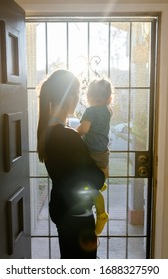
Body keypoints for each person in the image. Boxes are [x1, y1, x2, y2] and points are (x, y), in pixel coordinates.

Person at [37, 69, 105, 259]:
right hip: (77, 216)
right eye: (78, 93)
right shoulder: (68, 137)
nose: (79, 98)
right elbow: (97, 180)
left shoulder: (46, 131)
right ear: (69, 97)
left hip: (61, 208)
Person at [76, 77, 113, 235]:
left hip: (91, 152)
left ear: (88, 97)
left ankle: (102, 214)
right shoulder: (107, 110)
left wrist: (72, 132)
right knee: (101, 174)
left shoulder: (90, 111)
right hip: (103, 152)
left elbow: (84, 129)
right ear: (109, 98)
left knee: (91, 188)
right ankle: (102, 182)